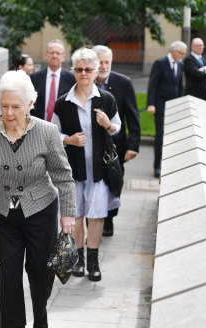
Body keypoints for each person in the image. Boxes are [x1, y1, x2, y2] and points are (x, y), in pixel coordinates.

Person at [0, 70, 76, 328]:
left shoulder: (47, 132)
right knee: (10, 269)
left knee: (39, 270)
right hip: (2, 211)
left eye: (16, 106)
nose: (9, 113)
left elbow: (63, 177)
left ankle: (40, 311)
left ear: (30, 104)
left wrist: (68, 216)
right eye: (4, 106)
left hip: (40, 208)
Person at [51, 47, 122, 282]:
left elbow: (117, 127)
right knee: (78, 215)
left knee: (98, 215)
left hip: (99, 169)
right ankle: (79, 260)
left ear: (95, 71)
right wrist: (69, 140)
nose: (83, 73)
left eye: (88, 69)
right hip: (74, 171)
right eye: (79, 69)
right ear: (73, 71)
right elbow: (53, 134)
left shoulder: (106, 99)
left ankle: (93, 261)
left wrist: (106, 125)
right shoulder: (64, 103)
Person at [92, 45, 141, 237]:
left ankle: (109, 220)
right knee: (94, 184)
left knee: (113, 182)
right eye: (100, 62)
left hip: (116, 146)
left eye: (107, 62)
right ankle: (94, 222)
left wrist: (133, 146)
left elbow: (133, 117)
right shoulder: (86, 82)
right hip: (92, 145)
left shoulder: (124, 83)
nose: (104, 66)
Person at [147, 41, 187, 178]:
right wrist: (150, 104)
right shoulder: (160, 63)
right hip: (160, 105)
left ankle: (170, 165)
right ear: (174, 51)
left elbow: (179, 86)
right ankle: (157, 165)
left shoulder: (180, 65)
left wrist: (181, 102)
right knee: (160, 136)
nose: (183, 55)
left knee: (173, 137)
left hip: (174, 106)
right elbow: (152, 84)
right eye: (182, 53)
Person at [30, 39, 74, 121]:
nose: (54, 56)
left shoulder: (72, 79)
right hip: (39, 124)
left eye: (58, 53)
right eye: (51, 52)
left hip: (63, 126)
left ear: (63, 57)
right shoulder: (34, 78)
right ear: (46, 55)